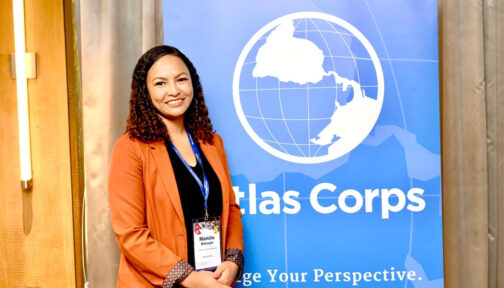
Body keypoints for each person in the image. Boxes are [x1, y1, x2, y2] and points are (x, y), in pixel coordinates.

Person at [108, 45, 244, 288]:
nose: (174, 91)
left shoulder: (212, 143)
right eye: (160, 83)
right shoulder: (130, 148)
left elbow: (230, 209)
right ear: (145, 92)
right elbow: (130, 234)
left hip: (213, 281)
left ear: (193, 83)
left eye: (181, 80)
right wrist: (189, 277)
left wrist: (233, 261)